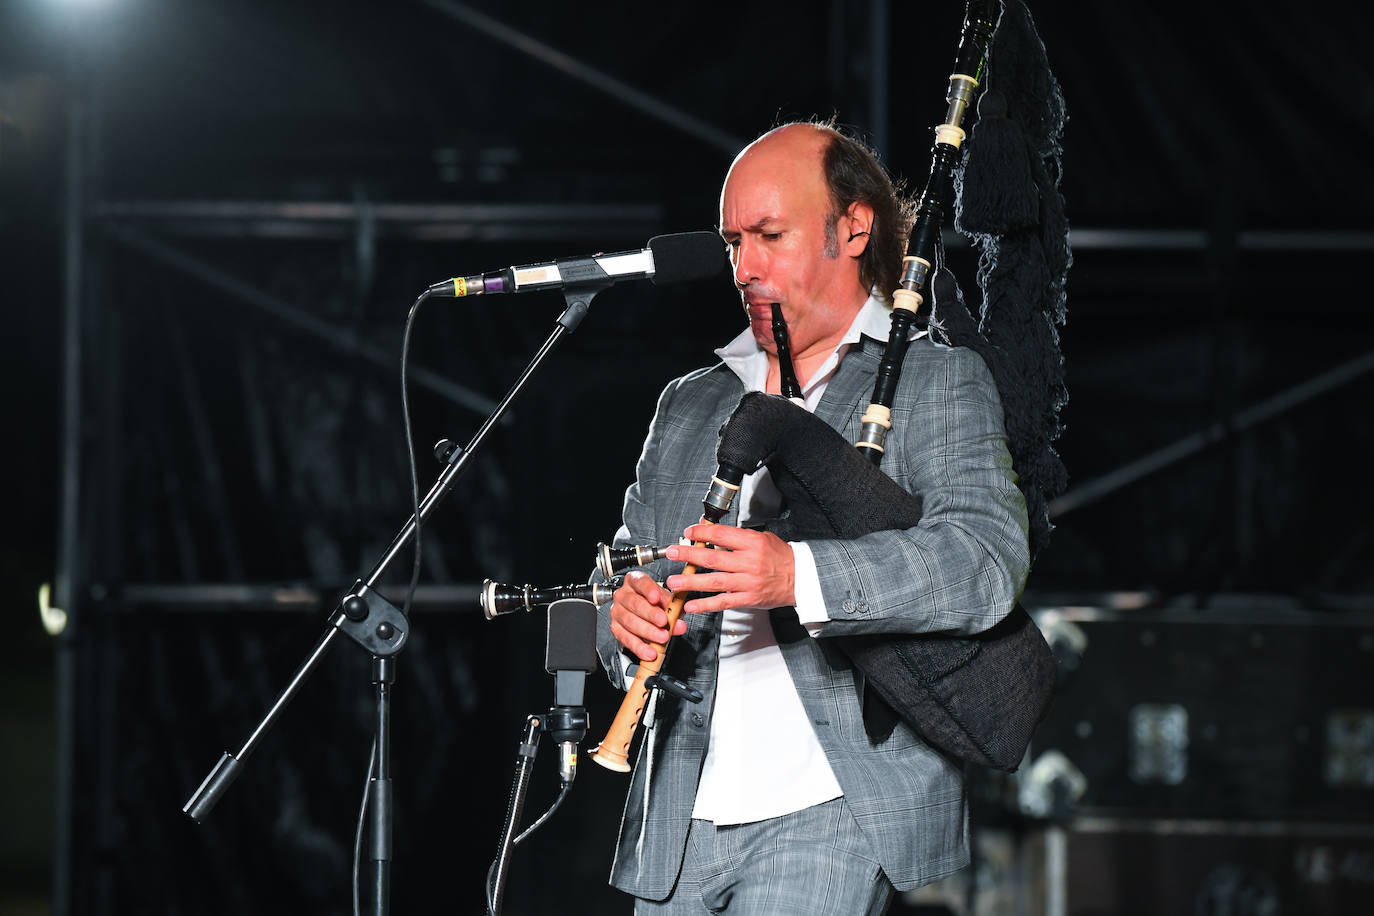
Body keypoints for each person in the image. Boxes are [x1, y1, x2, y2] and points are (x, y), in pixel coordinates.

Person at [595, 121, 1030, 914]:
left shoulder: (935, 380)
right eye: (732, 241)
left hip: (831, 806)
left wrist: (796, 574)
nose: (743, 268)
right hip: (676, 815)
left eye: (770, 235)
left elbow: (984, 562)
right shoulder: (690, 403)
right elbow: (624, 571)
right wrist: (624, 624)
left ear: (853, 228)